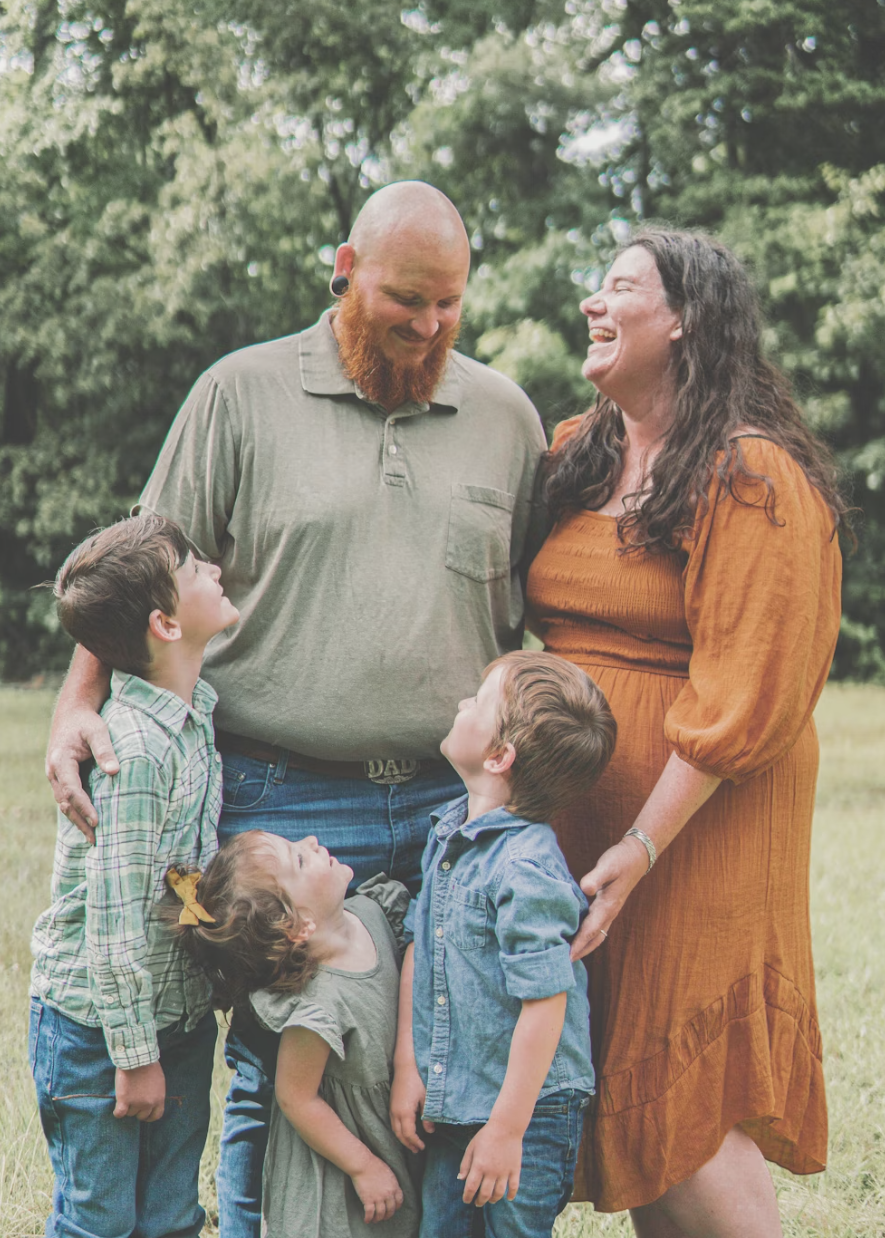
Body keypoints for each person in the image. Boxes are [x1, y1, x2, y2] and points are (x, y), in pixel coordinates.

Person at [43, 180, 546, 1236]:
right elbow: (137, 575)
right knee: (261, 1063)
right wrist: (71, 711)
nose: (429, 326)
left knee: (435, 1067)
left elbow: (545, 606)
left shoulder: (506, 417)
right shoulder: (239, 391)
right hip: (270, 798)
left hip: (447, 806)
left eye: (450, 303)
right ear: (345, 267)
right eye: (407, 299)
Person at [526, 228, 846, 1237]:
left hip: (692, 826)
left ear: (687, 320)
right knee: (634, 1096)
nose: (593, 302)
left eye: (620, 286)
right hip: (588, 825)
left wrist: (640, 842)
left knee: (688, 1093)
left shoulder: (749, 474)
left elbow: (744, 689)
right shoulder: (582, 449)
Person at [29, 515, 239, 1238]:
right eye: (193, 569)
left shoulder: (193, 717)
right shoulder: (136, 751)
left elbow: (181, 875)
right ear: (166, 624)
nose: (213, 569)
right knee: (102, 1220)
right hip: (100, 1035)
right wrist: (135, 1057)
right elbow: (115, 922)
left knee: (173, 1216)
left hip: (174, 1019)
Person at [391, 651, 617, 1237]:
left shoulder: (526, 869)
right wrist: (409, 1067)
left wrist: (507, 1130)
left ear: (498, 756)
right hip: (457, 1096)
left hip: (529, 1112)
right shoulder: (449, 833)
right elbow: (422, 946)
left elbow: (546, 1002)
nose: (463, 703)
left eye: (479, 700)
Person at [173, 833, 419, 1238]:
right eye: (300, 860)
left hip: (388, 1138)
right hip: (338, 1186)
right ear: (298, 927)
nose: (312, 840)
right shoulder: (319, 1005)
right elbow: (296, 1098)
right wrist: (363, 1166)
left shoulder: (374, 913)